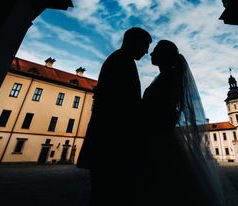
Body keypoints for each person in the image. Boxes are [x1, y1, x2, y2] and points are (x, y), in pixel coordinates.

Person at [140, 40, 226, 206]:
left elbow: (161, 110)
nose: (151, 54)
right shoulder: (167, 77)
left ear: (164, 55)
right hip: (161, 135)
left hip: (159, 136)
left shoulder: (167, 78)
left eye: (155, 51)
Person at [76, 27, 152, 206]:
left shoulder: (120, 59)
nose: (147, 51)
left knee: (104, 191)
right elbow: (124, 105)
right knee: (109, 192)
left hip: (108, 138)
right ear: (133, 41)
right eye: (145, 45)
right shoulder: (121, 61)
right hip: (112, 140)